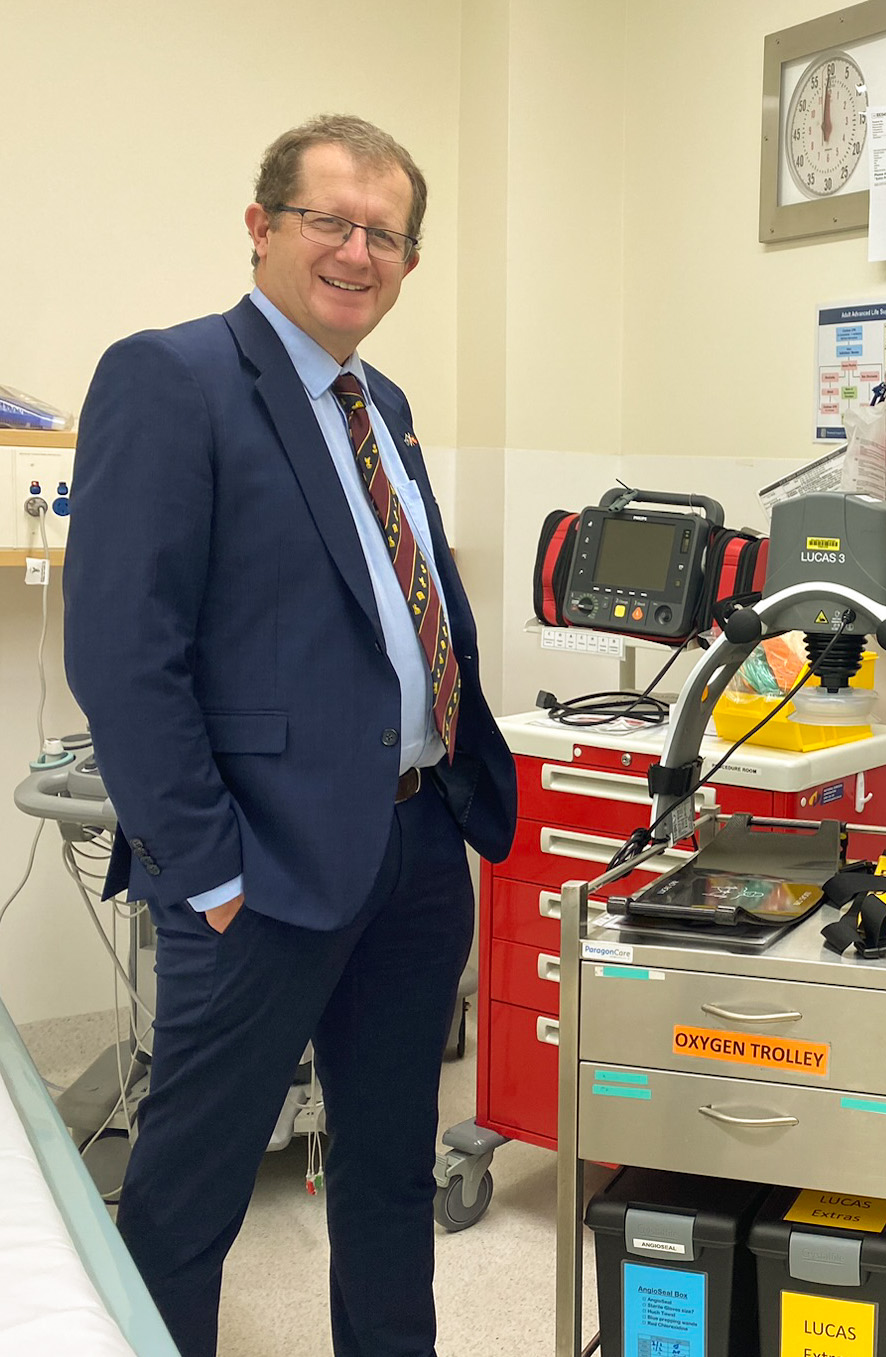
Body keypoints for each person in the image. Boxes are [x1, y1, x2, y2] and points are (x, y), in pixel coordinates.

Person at [63, 114, 517, 1357]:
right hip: (257, 874)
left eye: (387, 234)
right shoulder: (173, 378)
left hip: (418, 855)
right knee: (187, 1206)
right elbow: (121, 654)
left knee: (386, 1180)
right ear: (263, 228)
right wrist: (207, 872)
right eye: (333, 222)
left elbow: (392, 614)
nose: (359, 252)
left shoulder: (387, 405)